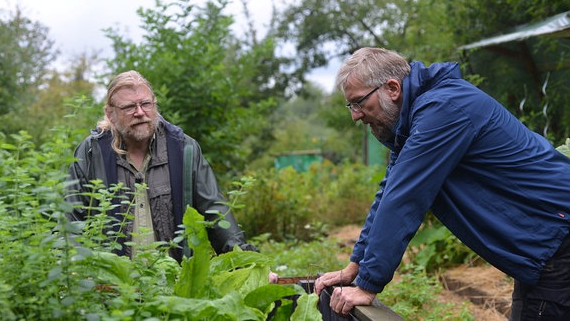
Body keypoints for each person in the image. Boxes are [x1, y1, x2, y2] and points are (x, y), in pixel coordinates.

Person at [313, 47, 570, 320]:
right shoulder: (416, 121)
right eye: (351, 105)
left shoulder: (444, 110)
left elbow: (405, 198)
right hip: (544, 245)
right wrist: (356, 266)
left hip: (557, 234)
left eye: (359, 102)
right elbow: (389, 193)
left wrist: (367, 285)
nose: (355, 115)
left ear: (392, 88)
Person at [67, 70, 276, 283]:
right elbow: (72, 221)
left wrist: (251, 267)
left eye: (146, 104)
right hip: (113, 292)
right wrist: (76, 273)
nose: (140, 112)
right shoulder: (92, 153)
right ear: (110, 114)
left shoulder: (183, 149)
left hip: (174, 289)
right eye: (129, 107)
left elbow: (216, 211)